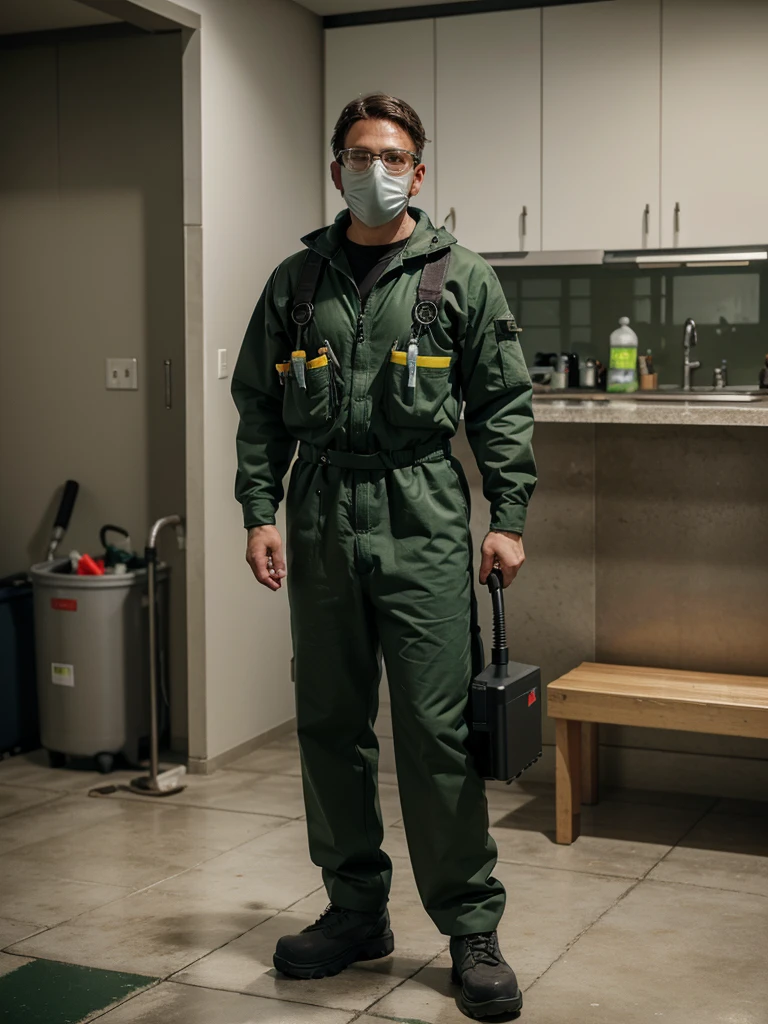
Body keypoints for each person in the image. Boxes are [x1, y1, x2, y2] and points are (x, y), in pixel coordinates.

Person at [232, 93, 536, 1019]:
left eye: (394, 154)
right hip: (319, 508)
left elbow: (502, 404)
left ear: (419, 168)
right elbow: (257, 404)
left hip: (422, 510)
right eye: (360, 155)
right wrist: (259, 510)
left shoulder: (462, 278)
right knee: (329, 721)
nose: (377, 170)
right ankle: (356, 909)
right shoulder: (296, 283)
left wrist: (507, 514)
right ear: (336, 170)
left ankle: (470, 925)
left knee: (434, 730)